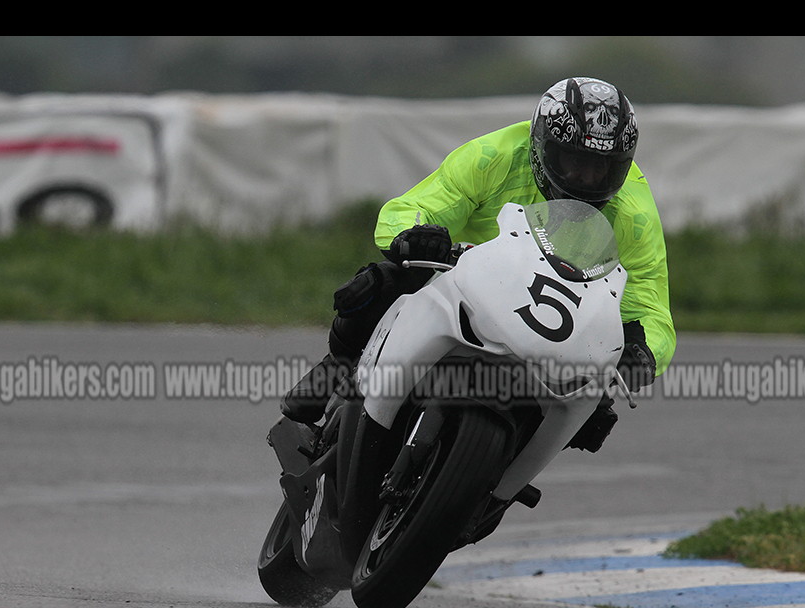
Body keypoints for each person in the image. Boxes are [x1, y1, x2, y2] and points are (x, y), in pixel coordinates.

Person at [282, 77, 675, 453]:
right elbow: (411, 208)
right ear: (542, 145)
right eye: (573, 162)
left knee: (595, 401)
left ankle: (497, 486)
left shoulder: (634, 213)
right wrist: (418, 233)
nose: (586, 179)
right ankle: (337, 368)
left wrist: (644, 352)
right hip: (462, 278)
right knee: (383, 283)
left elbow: (650, 304)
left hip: (552, 315)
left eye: (601, 168)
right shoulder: (494, 156)